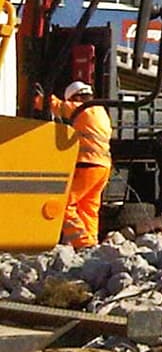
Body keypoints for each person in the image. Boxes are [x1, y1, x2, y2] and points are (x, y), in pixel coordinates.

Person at [55, 80, 111, 249]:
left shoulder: (81, 109)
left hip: (89, 164)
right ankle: (92, 244)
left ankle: (83, 243)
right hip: (103, 166)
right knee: (89, 208)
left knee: (65, 205)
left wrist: (35, 97)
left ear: (76, 97)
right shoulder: (100, 111)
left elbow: (56, 106)